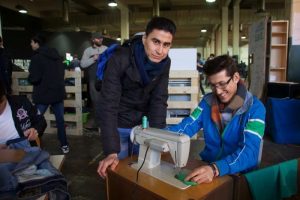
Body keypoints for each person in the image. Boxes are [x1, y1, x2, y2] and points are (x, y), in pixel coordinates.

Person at [97, 16, 176, 178]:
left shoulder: (165, 63)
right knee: (119, 174)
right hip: (118, 124)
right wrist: (111, 150)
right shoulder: (120, 58)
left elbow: (159, 100)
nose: (160, 50)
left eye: (166, 45)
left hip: (143, 126)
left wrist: (157, 136)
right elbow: (108, 105)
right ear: (145, 38)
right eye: (156, 41)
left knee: (146, 173)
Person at [167, 55, 266, 184]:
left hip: (239, 174)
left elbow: (249, 153)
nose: (218, 91)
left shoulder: (255, 109)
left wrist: (215, 169)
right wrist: (160, 135)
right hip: (208, 166)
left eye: (222, 84)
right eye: (213, 85)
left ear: (236, 78)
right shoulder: (207, 102)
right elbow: (186, 127)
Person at [28, 34, 69, 154]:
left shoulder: (37, 58)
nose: (31, 45)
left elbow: (34, 78)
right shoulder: (57, 56)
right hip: (57, 93)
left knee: (36, 120)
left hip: (43, 94)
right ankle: (64, 145)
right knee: (60, 121)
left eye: (32, 42)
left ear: (37, 43)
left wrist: (31, 78)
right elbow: (61, 73)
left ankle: (35, 145)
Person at [0, 80, 47, 147]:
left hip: (27, 150)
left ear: (5, 94)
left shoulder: (21, 102)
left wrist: (35, 130)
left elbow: (41, 121)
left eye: (1, 102)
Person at [80, 33, 107, 128]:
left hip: (106, 80)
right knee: (95, 102)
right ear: (93, 40)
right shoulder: (88, 51)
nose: (101, 40)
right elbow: (82, 64)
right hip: (93, 80)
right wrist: (93, 59)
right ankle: (97, 123)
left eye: (101, 38)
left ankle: (106, 123)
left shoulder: (106, 49)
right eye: (98, 38)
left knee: (106, 101)